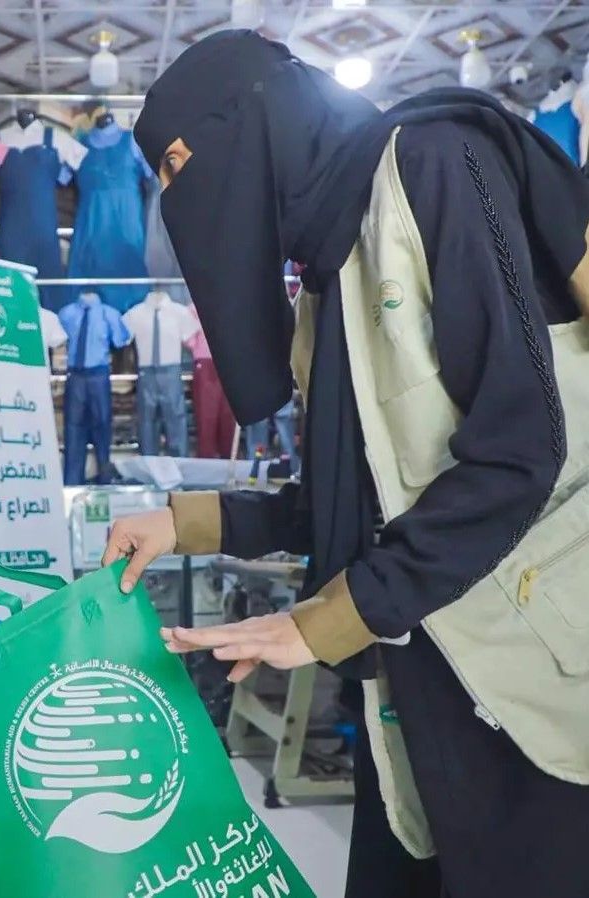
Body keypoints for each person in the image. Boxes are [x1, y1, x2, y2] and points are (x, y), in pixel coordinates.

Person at [104, 30, 589, 898]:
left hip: (533, 686)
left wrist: (325, 620)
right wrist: (180, 524)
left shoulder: (436, 163)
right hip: (413, 683)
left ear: (249, 124)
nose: (179, 198)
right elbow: (346, 503)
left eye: (180, 162)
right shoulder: (327, 281)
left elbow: (522, 449)